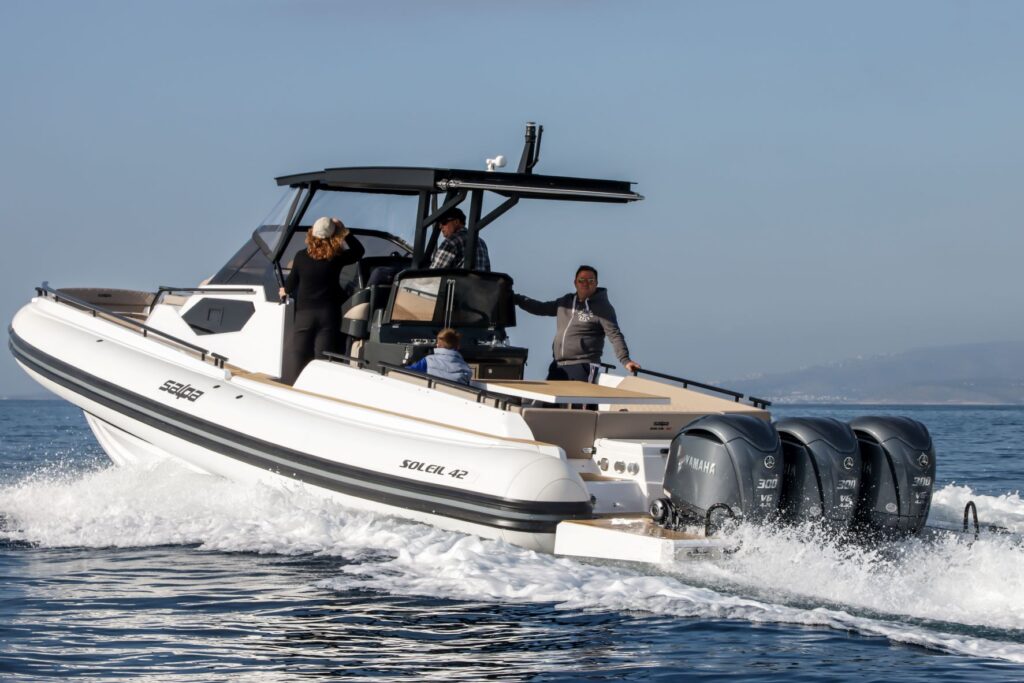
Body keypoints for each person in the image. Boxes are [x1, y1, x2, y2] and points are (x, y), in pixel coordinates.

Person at [515, 265, 640, 382]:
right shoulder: (565, 302)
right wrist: (516, 299)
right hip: (558, 365)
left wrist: (625, 360)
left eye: (590, 280)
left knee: (575, 399)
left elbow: (614, 335)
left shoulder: (603, 308)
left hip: (583, 365)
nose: (586, 283)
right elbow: (541, 308)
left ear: (596, 283)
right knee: (547, 398)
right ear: (575, 283)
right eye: (581, 280)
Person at [279, 217, 364, 384]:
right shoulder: (336, 257)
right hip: (328, 315)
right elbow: (359, 251)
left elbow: (290, 285)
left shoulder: (301, 257)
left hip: (304, 316)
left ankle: (295, 389)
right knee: (323, 361)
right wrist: (345, 231)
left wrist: (284, 291)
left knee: (298, 357)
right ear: (334, 236)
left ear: (311, 233)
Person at [406, 327, 473, 385]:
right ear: (458, 347)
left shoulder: (428, 361)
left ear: (438, 345)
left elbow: (406, 373)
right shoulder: (466, 368)